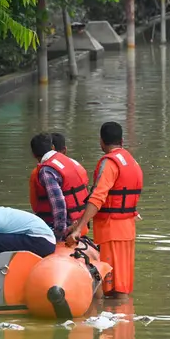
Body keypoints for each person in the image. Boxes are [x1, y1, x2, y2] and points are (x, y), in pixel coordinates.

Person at [66, 122, 144, 299]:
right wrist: (78, 223)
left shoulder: (109, 163)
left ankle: (110, 322)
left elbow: (97, 198)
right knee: (122, 286)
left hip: (111, 231)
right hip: (127, 231)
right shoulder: (131, 161)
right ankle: (125, 321)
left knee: (109, 288)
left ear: (101, 141)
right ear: (122, 140)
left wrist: (78, 230)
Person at [29, 132, 89, 240]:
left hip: (66, 226)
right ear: (52, 147)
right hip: (81, 223)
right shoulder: (71, 162)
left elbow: (59, 205)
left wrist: (59, 234)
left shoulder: (46, 171)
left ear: (33, 154)